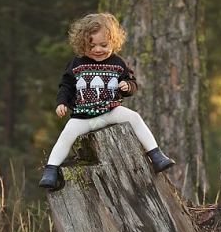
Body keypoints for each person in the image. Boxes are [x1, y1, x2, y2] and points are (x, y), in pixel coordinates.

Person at [39, 12, 175, 190]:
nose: (97, 50)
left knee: (134, 118)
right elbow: (66, 85)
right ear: (82, 43)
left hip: (110, 111)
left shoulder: (119, 63)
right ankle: (51, 170)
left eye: (103, 45)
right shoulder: (77, 63)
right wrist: (61, 102)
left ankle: (156, 155)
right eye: (91, 45)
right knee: (66, 135)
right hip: (83, 117)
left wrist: (127, 85)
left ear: (114, 42)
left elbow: (132, 83)